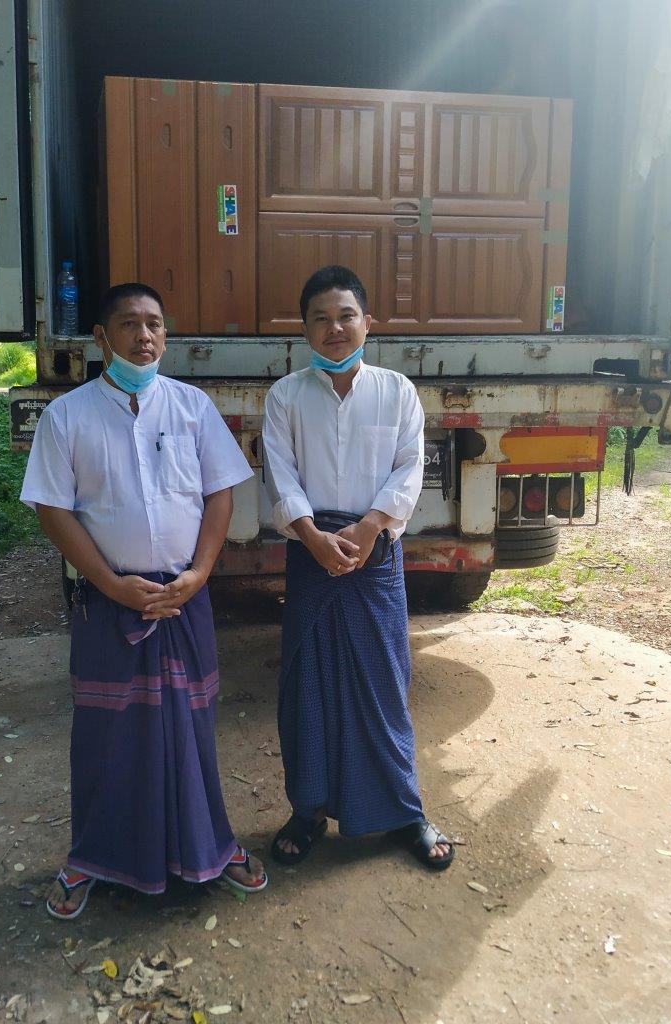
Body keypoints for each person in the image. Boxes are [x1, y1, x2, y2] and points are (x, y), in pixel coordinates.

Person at [20, 282, 268, 919]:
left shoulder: (191, 406)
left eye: (155, 323)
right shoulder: (68, 416)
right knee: (106, 736)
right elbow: (53, 509)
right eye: (129, 324)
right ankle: (91, 858)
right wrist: (111, 583)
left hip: (184, 599)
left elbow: (219, 494)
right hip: (109, 603)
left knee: (191, 730)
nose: (145, 336)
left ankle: (212, 845)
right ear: (103, 338)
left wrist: (201, 572)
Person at [261, 265, 454, 871]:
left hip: (376, 555)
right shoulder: (285, 396)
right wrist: (315, 539)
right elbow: (280, 473)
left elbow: (409, 466)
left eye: (346, 315)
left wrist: (370, 528)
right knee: (308, 686)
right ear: (305, 330)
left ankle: (404, 811)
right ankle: (309, 808)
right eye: (320, 317)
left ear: (369, 322)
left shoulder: (396, 391)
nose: (335, 327)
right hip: (311, 552)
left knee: (383, 685)